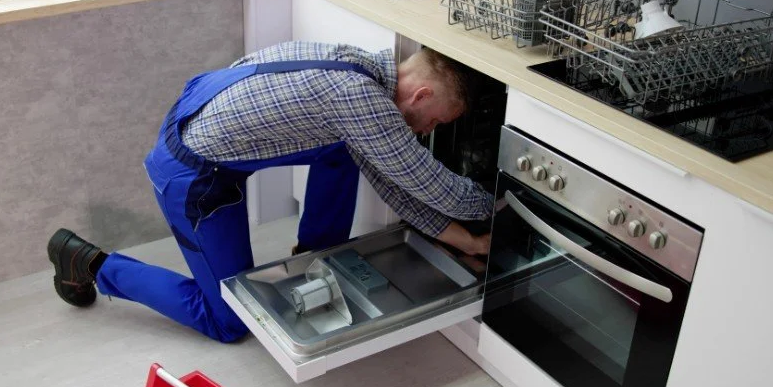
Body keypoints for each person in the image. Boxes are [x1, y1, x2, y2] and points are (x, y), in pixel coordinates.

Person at [47, 41, 495, 343]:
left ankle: (316, 254)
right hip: (192, 178)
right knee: (228, 320)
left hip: (203, 122)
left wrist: (468, 242)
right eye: (438, 119)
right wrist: (497, 204)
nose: (432, 130)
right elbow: (424, 184)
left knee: (343, 152)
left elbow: (391, 176)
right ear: (420, 96)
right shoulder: (362, 102)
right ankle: (91, 264)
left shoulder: (360, 63)